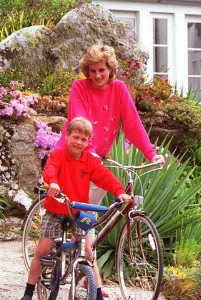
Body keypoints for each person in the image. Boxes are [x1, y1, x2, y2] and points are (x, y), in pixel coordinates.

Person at [19, 117, 132, 300]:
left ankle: (98, 299)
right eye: (75, 137)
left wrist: (119, 191)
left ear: (88, 142)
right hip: (56, 208)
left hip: (77, 211)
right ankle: (28, 292)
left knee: (89, 252)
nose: (79, 142)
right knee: (43, 249)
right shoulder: (58, 155)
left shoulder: (90, 161)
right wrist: (52, 183)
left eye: (83, 139)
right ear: (67, 136)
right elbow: (50, 170)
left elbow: (105, 176)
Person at [54, 44, 165, 207]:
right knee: (79, 209)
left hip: (96, 159)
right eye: (93, 71)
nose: (97, 75)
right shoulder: (80, 86)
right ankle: (73, 226)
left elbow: (133, 124)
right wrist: (90, 151)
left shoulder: (119, 88)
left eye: (101, 70)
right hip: (73, 154)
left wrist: (150, 153)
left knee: (89, 208)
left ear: (110, 69)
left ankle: (79, 228)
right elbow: (80, 123)